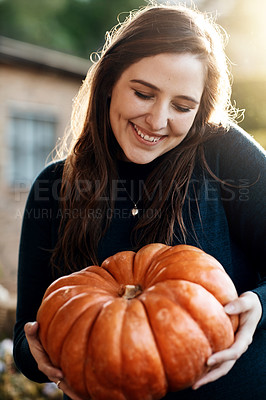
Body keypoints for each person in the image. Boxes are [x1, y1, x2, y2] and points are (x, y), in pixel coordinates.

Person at [13, 3, 265, 400]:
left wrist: (259, 305)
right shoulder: (57, 186)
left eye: (182, 106)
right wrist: (41, 353)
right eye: (144, 94)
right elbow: (28, 338)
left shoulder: (223, 155)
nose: (158, 120)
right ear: (110, 80)